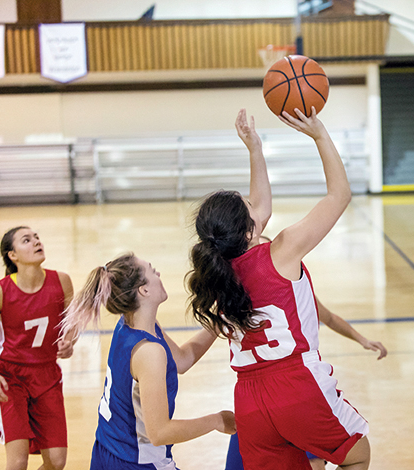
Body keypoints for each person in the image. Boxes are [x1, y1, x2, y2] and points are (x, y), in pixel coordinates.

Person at [187, 108, 370, 470]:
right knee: (356, 454)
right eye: (249, 207)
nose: (258, 207)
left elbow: (262, 209)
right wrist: (319, 135)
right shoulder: (281, 251)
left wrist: (255, 148)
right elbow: (340, 195)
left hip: (250, 401)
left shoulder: (216, 276)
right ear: (247, 231)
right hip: (297, 383)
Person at [59, 253, 235, 470]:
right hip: (136, 460)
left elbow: (182, 360)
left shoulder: (130, 323)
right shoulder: (149, 351)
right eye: (152, 270)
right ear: (144, 290)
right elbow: (160, 433)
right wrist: (216, 420)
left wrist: (219, 322)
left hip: (108, 448)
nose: (158, 273)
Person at [225, 294, 387, 470]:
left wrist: (362, 339)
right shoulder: (291, 288)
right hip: (295, 388)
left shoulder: (230, 296)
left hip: (254, 398)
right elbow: (329, 318)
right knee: (341, 459)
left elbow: (330, 318)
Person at [0, 226, 76, 470]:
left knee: (56, 462)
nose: (36, 242)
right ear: (13, 255)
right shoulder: (1, 290)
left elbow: (71, 324)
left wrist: (69, 342)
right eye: (27, 240)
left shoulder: (61, 281)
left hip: (48, 375)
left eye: (37, 237)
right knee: (18, 462)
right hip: (11, 378)